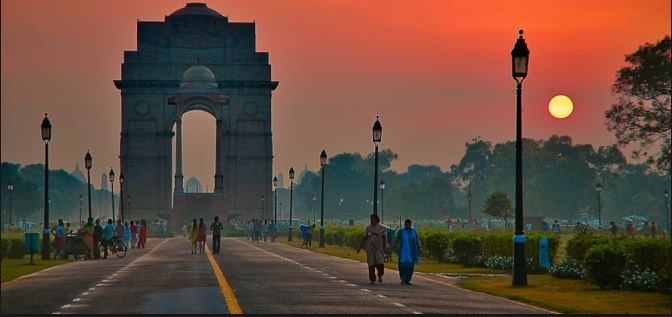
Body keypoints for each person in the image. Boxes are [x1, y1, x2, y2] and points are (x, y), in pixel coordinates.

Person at [356, 214, 388, 285]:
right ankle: (372, 279)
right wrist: (359, 247)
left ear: (376, 219)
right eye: (371, 219)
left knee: (380, 263)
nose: (372, 220)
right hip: (370, 248)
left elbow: (385, 239)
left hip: (379, 248)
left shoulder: (383, 228)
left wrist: (385, 247)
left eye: (373, 219)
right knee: (371, 264)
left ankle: (380, 275)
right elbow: (364, 238)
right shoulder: (368, 228)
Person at [391, 219, 422, 285]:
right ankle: (403, 279)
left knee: (410, 267)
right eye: (407, 224)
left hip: (412, 252)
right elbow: (396, 240)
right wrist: (392, 248)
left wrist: (420, 247)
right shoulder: (401, 231)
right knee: (402, 266)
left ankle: (408, 280)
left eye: (409, 224)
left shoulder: (413, 231)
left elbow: (417, 239)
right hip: (403, 252)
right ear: (405, 224)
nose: (408, 225)